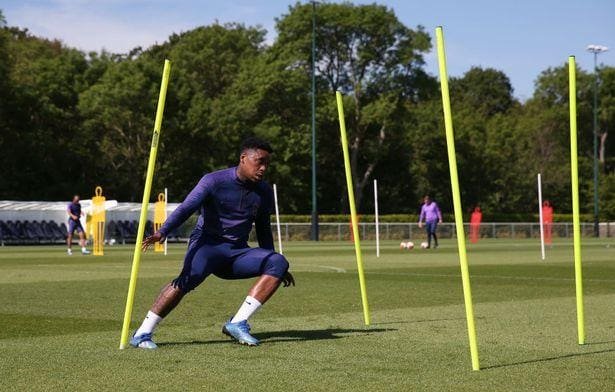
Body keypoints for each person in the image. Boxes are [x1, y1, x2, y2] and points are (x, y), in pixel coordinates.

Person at [131, 137, 295, 349]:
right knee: (187, 280)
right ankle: (142, 333)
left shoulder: (263, 191)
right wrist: (162, 232)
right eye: (259, 161)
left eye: (267, 164)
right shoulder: (214, 180)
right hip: (207, 247)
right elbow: (186, 208)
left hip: (236, 253)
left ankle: (237, 323)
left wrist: (273, 265)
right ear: (243, 158)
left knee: (279, 262)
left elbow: (263, 228)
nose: (263, 168)